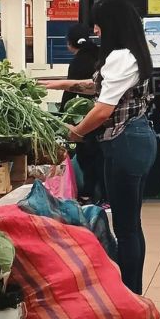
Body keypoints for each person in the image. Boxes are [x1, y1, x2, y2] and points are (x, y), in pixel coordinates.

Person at [45, 0, 156, 294]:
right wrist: (62, 84)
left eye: (98, 23)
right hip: (135, 140)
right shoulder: (133, 53)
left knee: (127, 226)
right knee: (131, 223)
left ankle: (132, 293)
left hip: (126, 144)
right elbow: (101, 86)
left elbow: (103, 109)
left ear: (112, 25)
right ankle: (133, 291)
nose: (95, 29)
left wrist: (76, 132)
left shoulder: (121, 57)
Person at [60, 24, 106, 205]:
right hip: (102, 115)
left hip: (85, 117)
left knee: (87, 156)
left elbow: (72, 89)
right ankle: (102, 196)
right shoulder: (99, 54)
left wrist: (64, 116)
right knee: (99, 156)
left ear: (70, 43)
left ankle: (88, 194)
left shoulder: (78, 61)